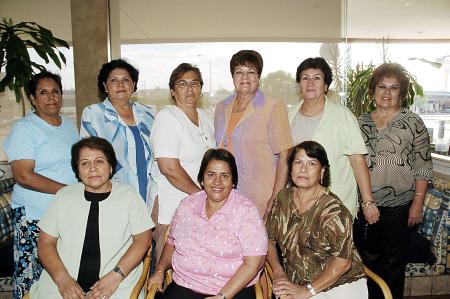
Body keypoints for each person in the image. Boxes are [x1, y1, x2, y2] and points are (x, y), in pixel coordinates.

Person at [29, 137, 153, 299]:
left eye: (99, 161)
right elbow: (46, 242)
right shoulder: (64, 197)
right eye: (85, 163)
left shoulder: (129, 196)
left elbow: (143, 240)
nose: (92, 168)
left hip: (116, 283)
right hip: (62, 284)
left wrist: (116, 276)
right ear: (78, 171)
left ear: (110, 167)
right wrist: (62, 280)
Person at [356, 63, 433, 299]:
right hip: (364, 206)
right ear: (372, 91)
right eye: (382, 87)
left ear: (402, 93)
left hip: (399, 206)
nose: (387, 93)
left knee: (393, 265)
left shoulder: (413, 123)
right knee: (366, 263)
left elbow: (423, 166)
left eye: (394, 88)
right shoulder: (359, 122)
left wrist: (417, 204)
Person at [148, 149, 267, 299]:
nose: (217, 182)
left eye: (224, 176)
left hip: (233, 289)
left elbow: (253, 263)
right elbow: (171, 243)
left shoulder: (246, 211)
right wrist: (159, 270)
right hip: (186, 285)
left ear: (234, 181)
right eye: (211, 175)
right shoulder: (187, 206)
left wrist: (222, 296)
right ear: (202, 180)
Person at [2, 71, 79, 298]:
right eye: (43, 93)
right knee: (31, 276)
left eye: (55, 91)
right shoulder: (24, 129)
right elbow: (23, 175)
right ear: (33, 99)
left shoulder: (68, 125)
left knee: (61, 275)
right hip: (35, 214)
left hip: (65, 212)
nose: (51, 97)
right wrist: (67, 191)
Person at [266, 141, 368, 299]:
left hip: (341, 282)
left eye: (311, 164)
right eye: (298, 162)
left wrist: (307, 292)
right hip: (297, 282)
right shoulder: (282, 199)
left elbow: (343, 263)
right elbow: (269, 240)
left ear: (322, 171)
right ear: (291, 168)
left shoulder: (334, 210)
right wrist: (278, 271)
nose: (303, 169)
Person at [286, 57, 378, 221]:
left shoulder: (343, 116)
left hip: (336, 204)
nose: (310, 83)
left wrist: (368, 202)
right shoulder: (288, 116)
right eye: (305, 78)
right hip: (297, 204)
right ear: (299, 85)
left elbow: (357, 160)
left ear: (326, 86)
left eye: (317, 78)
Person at [214, 50, 293, 217]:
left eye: (251, 72)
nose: (244, 77)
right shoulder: (221, 107)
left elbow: (285, 155)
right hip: (226, 198)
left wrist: (275, 198)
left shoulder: (273, 106)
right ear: (232, 77)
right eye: (239, 72)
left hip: (260, 199)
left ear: (259, 77)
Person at [150, 63, 215, 260]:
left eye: (195, 83)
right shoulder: (167, 118)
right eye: (182, 83)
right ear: (172, 90)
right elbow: (169, 168)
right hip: (172, 207)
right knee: (171, 268)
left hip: (200, 207)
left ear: (201, 89)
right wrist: (202, 196)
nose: (190, 89)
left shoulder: (206, 117)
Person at [80, 59, 154, 204]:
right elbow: (89, 157)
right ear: (105, 86)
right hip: (113, 194)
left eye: (126, 79)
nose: (120, 84)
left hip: (150, 189)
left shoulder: (148, 114)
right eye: (114, 80)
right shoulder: (93, 114)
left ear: (133, 85)